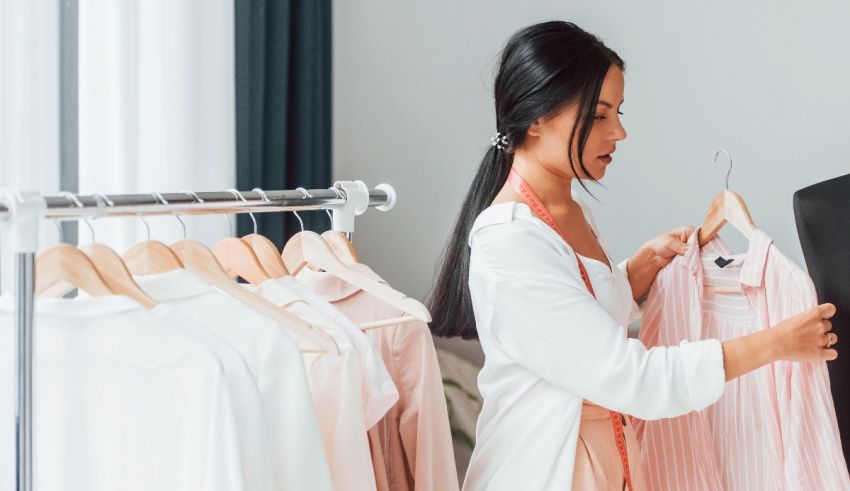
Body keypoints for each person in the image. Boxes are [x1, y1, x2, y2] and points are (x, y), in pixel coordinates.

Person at [429, 20, 839, 491]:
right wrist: (774, 345)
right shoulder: (511, 240)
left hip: (611, 464)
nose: (620, 132)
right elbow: (631, 379)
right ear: (536, 118)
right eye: (600, 115)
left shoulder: (570, 212)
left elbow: (571, 322)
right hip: (547, 473)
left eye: (618, 112)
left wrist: (632, 276)